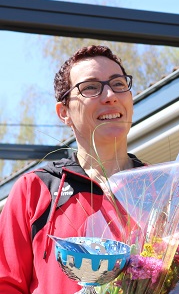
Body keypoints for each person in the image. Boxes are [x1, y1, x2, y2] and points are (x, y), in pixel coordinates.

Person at [0, 45, 146, 293]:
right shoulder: (35, 190)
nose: (110, 95)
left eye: (119, 84)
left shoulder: (165, 188)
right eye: (90, 87)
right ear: (64, 112)